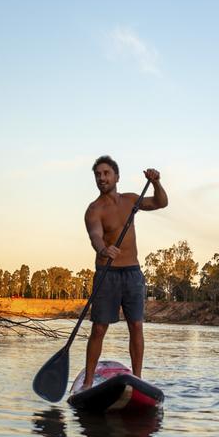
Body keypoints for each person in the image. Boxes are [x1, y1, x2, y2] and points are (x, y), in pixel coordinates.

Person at [81, 155, 168, 389]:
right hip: (107, 274)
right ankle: (88, 382)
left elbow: (161, 203)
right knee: (99, 328)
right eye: (98, 174)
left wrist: (157, 182)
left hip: (132, 273)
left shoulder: (130, 200)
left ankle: (137, 379)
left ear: (116, 177)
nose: (102, 178)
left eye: (106, 173)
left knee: (136, 326)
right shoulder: (93, 210)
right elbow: (95, 236)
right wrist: (103, 249)